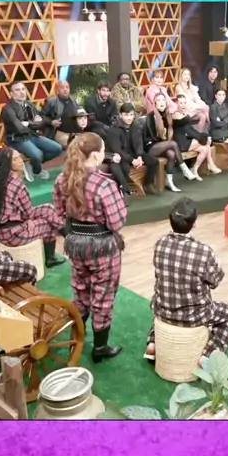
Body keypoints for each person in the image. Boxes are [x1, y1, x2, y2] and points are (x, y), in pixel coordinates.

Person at [53, 133, 127, 363]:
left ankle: (76, 340)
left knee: (81, 291)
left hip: (76, 244)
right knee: (103, 296)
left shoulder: (62, 180)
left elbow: (58, 214)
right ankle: (100, 348)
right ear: (95, 155)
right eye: (103, 150)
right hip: (103, 247)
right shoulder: (105, 184)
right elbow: (116, 222)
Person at [144, 198, 228, 361]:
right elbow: (215, 282)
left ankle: (153, 343)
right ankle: (208, 356)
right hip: (195, 315)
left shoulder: (160, 244)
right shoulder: (203, 252)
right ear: (194, 223)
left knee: (163, 299)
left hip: (163, 309)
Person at [0, 148, 64, 267]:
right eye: (15, 159)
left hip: (0, 231)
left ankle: (66, 234)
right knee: (49, 224)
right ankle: (53, 254)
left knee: (48, 208)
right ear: (8, 164)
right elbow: (28, 212)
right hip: (15, 234)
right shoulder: (16, 184)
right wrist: (27, 220)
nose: (20, 161)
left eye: (19, 157)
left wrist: (27, 219)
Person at [2, 81, 63, 181]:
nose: (22, 92)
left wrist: (28, 123)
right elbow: (19, 129)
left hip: (32, 135)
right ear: (11, 94)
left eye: (23, 89)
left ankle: (32, 164)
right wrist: (34, 123)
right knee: (38, 154)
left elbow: (42, 123)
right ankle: (37, 170)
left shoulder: (29, 105)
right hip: (17, 139)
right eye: (17, 90)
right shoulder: (8, 109)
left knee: (57, 148)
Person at [144, 93, 197, 192]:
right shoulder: (151, 116)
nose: (161, 102)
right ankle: (185, 169)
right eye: (158, 100)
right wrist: (163, 139)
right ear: (155, 103)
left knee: (171, 154)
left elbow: (176, 126)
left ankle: (169, 182)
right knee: (173, 143)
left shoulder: (167, 116)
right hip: (151, 146)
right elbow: (151, 136)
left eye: (163, 100)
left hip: (162, 145)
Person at [106, 103, 159, 195]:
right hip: (121, 155)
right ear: (120, 115)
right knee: (125, 168)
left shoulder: (136, 125)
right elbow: (117, 149)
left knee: (154, 161)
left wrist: (139, 156)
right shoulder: (114, 129)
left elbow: (139, 143)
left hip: (134, 153)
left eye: (131, 115)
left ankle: (148, 184)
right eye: (126, 115)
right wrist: (132, 160)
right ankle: (123, 189)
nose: (129, 118)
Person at [173, 94, 221, 180]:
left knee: (204, 149)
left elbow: (190, 130)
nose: (183, 105)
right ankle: (210, 164)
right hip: (180, 143)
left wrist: (203, 136)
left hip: (186, 139)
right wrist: (203, 137)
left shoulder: (184, 113)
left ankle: (194, 170)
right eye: (180, 103)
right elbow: (189, 131)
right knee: (206, 141)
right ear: (176, 103)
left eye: (184, 103)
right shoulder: (176, 114)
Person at [41, 80, 79, 147]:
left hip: (74, 132)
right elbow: (42, 116)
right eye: (62, 87)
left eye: (67, 87)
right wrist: (51, 122)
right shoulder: (51, 101)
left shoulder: (73, 99)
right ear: (57, 90)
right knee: (71, 147)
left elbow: (79, 109)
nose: (65, 89)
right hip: (60, 133)